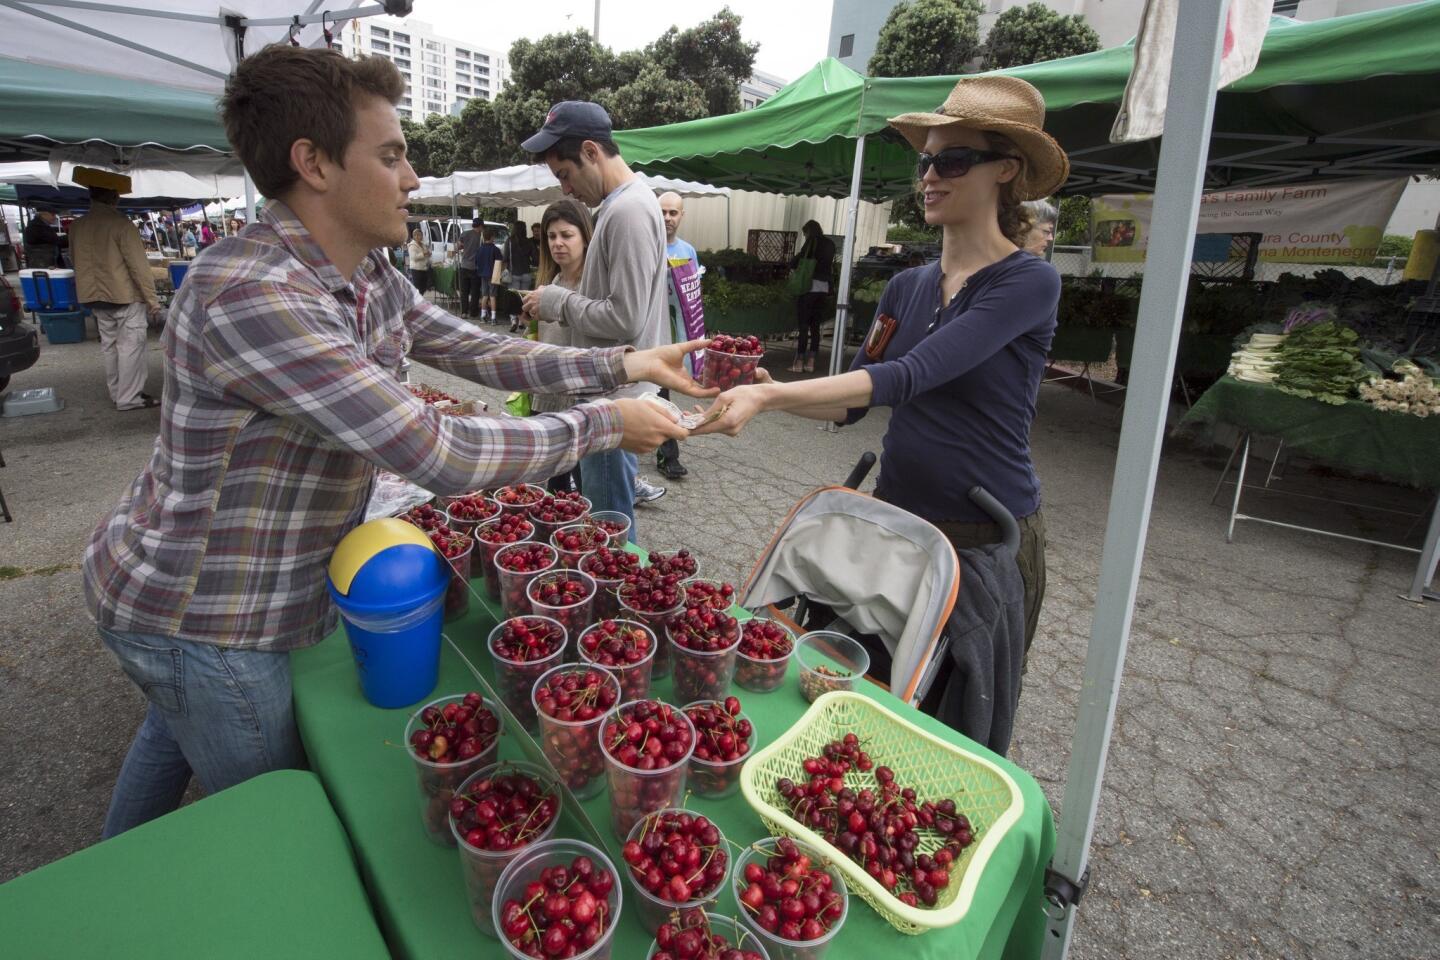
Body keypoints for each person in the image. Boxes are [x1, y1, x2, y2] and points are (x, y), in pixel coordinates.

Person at [82, 45, 711, 839]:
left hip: (201, 602)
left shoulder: (364, 271)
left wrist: (620, 361)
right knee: (276, 813)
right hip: (205, 614)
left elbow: (470, 346)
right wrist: (607, 420)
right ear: (312, 163)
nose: (413, 177)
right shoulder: (255, 294)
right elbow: (435, 452)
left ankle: (105, 867)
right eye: (391, 155)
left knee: (169, 733)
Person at [693, 75, 1068, 658]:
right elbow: (853, 402)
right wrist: (767, 388)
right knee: (856, 693)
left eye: (954, 161)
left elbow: (910, 374)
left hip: (986, 535)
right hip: (897, 518)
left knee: (949, 718)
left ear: (1007, 169)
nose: (930, 178)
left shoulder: (1029, 281)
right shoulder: (906, 286)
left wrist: (771, 399)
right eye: (925, 163)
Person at [521, 100, 672, 538]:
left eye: (565, 175)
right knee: (602, 521)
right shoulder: (623, 206)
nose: (566, 191)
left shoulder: (627, 211)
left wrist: (558, 301)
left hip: (611, 397)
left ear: (591, 152)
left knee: (609, 532)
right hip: (605, 392)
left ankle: (616, 604)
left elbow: (625, 320)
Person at [68, 169, 162, 411]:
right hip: (123, 295)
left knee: (109, 347)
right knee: (131, 346)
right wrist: (152, 300)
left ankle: (117, 392)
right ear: (114, 198)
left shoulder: (78, 226)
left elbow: (74, 258)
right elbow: (138, 266)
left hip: (93, 296)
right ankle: (129, 397)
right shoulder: (121, 225)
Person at [530, 199, 594, 494]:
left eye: (566, 235)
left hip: (581, 400)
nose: (557, 243)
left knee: (585, 487)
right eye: (551, 236)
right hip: (547, 395)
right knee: (552, 488)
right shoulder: (550, 281)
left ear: (585, 236)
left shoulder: (593, 289)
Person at [653, 190, 697, 482]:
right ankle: (665, 454)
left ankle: (666, 454)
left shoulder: (688, 252)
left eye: (673, 213)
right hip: (648, 334)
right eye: (663, 212)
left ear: (682, 216)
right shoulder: (647, 246)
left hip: (673, 337)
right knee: (654, 392)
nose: (667, 218)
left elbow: (693, 299)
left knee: (661, 392)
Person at [790, 220, 835, 374]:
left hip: (809, 286)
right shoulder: (830, 244)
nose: (805, 236)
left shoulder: (812, 242)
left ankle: (799, 362)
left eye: (805, 233)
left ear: (809, 231)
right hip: (824, 288)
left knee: (804, 326)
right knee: (815, 326)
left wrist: (791, 263)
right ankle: (811, 362)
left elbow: (800, 260)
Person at [503, 216, 537, 333]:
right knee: (524, 299)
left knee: (513, 299)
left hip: (513, 273)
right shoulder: (528, 242)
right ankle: (523, 322)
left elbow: (505, 257)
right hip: (526, 273)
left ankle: (514, 321)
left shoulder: (509, 241)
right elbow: (535, 259)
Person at [457, 217, 484, 319]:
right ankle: (473, 313)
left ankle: (464, 312)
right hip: (475, 267)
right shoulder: (480, 237)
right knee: (475, 291)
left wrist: (465, 246)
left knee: (464, 291)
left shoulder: (465, 233)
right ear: (480, 226)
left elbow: (458, 246)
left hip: (464, 265)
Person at [475, 227, 502, 323]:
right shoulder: (496, 250)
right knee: (493, 296)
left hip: (483, 275)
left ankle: (482, 316)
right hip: (493, 275)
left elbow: (476, 262)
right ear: (492, 237)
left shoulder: (480, 249)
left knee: (484, 295)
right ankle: (493, 318)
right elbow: (499, 263)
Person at [406, 227, 432, 293]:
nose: (418, 237)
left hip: (424, 269)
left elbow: (427, 253)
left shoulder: (423, 244)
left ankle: (420, 300)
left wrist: (429, 253)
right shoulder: (412, 245)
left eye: (420, 235)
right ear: (413, 236)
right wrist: (423, 253)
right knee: (418, 288)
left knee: (423, 288)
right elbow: (413, 257)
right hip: (416, 269)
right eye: (416, 235)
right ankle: (417, 302)